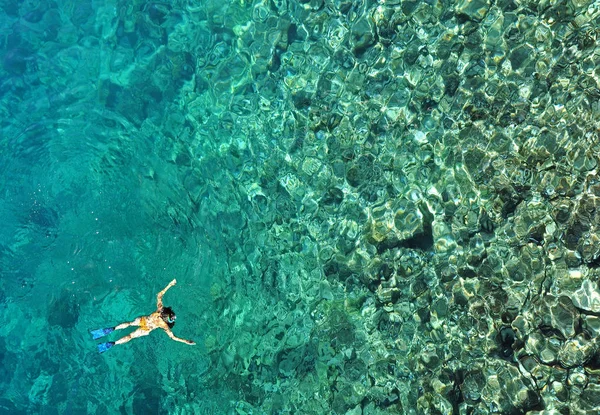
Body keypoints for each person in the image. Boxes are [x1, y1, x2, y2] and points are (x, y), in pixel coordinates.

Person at [90, 279, 195, 353]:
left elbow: (159, 295)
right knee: (131, 336)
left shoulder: (159, 310)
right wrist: (186, 341)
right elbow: (173, 337)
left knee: (130, 323)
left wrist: (170, 285)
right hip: (147, 328)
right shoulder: (164, 326)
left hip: (144, 320)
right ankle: (113, 343)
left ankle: (113, 329)